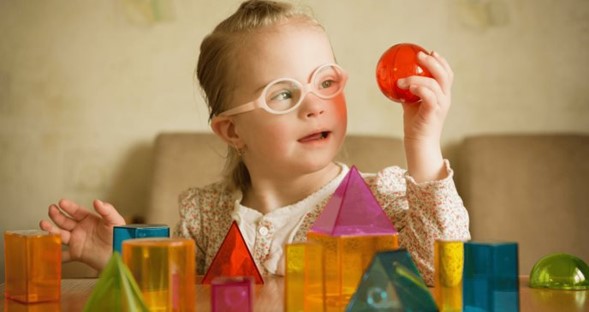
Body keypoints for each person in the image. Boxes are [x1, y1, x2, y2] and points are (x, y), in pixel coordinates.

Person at [39, 0, 470, 286]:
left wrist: (423, 144)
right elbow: (180, 295)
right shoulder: (203, 215)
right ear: (232, 131)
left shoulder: (383, 197)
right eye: (283, 93)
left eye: (325, 81)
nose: (314, 105)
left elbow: (443, 269)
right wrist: (121, 261)